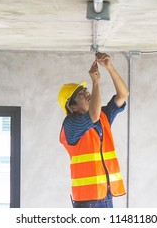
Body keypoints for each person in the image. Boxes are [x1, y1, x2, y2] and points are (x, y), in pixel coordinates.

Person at [58, 52, 129, 208]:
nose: (87, 93)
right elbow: (93, 115)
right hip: (87, 201)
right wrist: (95, 82)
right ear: (72, 106)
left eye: (85, 90)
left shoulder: (103, 117)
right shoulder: (70, 124)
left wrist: (109, 67)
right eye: (81, 94)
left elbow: (123, 94)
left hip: (105, 196)